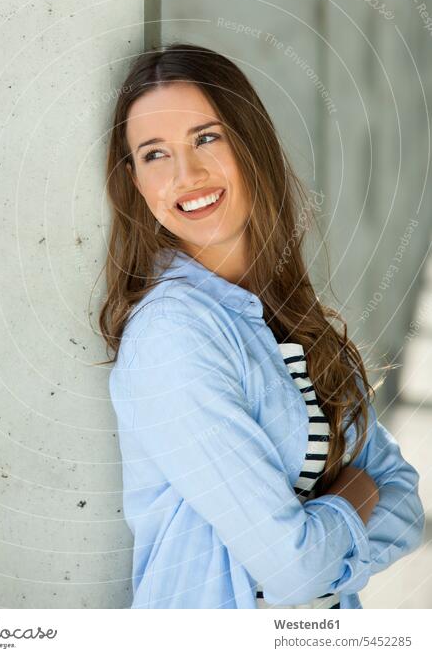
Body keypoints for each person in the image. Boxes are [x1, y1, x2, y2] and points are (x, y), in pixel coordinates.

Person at [99, 42, 425, 609]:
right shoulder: (173, 337)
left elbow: (407, 507)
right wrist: (356, 491)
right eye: (155, 154)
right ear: (134, 182)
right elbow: (295, 569)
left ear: (251, 143)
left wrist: (327, 539)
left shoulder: (294, 318)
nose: (188, 174)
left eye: (206, 138)